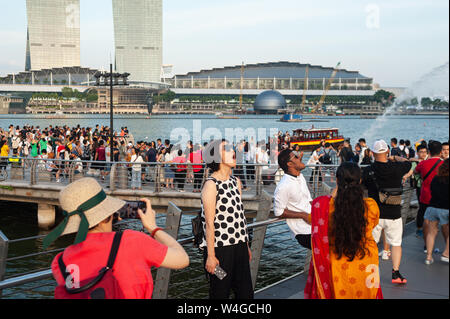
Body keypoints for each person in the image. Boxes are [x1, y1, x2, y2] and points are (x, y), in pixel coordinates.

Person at [44, 178, 189, 299]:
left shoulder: (60, 262)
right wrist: (153, 227)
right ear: (106, 216)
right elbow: (182, 259)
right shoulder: (132, 241)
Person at [304, 162, 383, 299]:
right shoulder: (371, 206)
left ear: (337, 181)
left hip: (337, 262)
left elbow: (313, 219)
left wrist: (335, 191)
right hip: (366, 262)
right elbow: (373, 223)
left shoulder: (323, 206)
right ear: (360, 181)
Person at [201, 140, 253, 299]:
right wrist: (210, 256)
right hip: (219, 252)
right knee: (220, 292)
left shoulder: (235, 182)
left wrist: (246, 246)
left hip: (240, 248)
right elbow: (209, 223)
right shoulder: (211, 185)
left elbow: (240, 216)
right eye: (227, 149)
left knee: (245, 293)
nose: (233, 152)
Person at [362, 140, 411, 284]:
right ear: (387, 151)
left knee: (371, 245)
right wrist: (396, 158)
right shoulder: (397, 167)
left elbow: (363, 186)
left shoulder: (368, 170)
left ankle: (370, 275)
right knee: (396, 244)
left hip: (374, 214)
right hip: (394, 213)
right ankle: (395, 274)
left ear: (372, 153)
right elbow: (408, 163)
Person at [274, 149, 312, 250]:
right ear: (290, 164)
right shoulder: (283, 186)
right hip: (303, 232)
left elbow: (309, 201)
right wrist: (303, 215)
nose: (300, 157)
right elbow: (278, 212)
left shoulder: (301, 177)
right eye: (295, 156)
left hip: (314, 226)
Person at [415, 141, 444, 253]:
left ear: (429, 152)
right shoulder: (443, 164)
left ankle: (426, 245)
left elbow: (416, 171)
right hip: (439, 196)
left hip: (425, 195)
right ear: (441, 152)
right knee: (435, 222)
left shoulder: (423, 164)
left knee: (425, 220)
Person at [423, 159, 449, 265]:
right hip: (446, 209)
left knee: (431, 232)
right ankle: (446, 253)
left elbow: (432, 191)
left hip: (432, 208)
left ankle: (428, 257)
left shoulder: (435, 178)